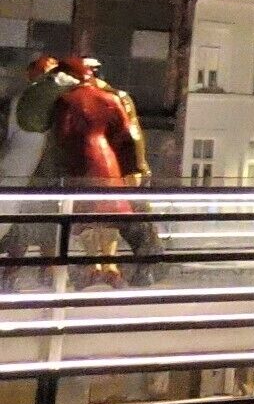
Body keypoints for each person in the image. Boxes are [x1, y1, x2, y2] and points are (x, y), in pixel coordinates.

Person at [41, 59, 161, 286]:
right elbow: (129, 134)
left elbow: (63, 134)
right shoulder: (112, 97)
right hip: (110, 164)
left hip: (93, 163)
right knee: (105, 215)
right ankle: (106, 266)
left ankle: (102, 266)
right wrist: (135, 166)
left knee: (94, 215)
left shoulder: (72, 99)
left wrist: (138, 166)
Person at [1, 56, 78, 287]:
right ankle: (15, 275)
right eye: (45, 70)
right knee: (23, 228)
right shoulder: (30, 98)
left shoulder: (35, 99)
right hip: (28, 174)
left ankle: (47, 278)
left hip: (40, 173)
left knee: (46, 228)